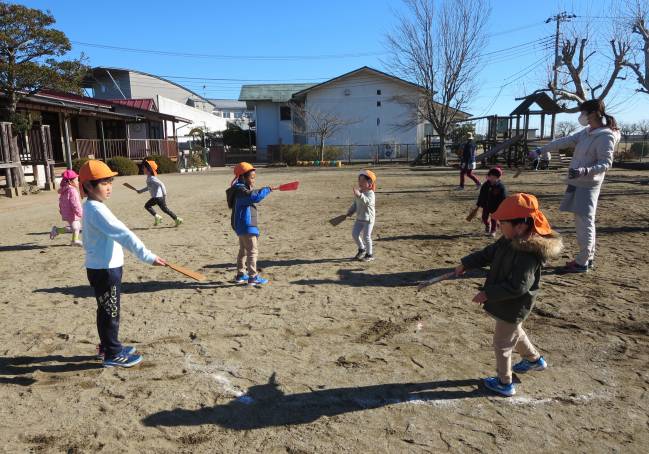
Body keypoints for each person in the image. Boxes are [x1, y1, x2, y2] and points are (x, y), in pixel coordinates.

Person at [456, 193, 563, 396]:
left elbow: (518, 286)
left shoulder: (528, 253)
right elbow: (489, 253)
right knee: (516, 332)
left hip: (514, 304)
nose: (498, 227)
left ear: (520, 226)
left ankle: (505, 383)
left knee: (502, 343)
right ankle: (534, 360)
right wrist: (466, 263)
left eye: (502, 223)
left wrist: (487, 294)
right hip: (507, 304)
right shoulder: (508, 239)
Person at [79, 160, 166, 368]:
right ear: (89, 186)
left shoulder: (94, 207)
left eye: (110, 181)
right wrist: (147, 256)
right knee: (111, 311)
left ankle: (108, 345)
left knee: (106, 310)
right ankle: (112, 353)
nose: (109, 186)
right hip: (105, 270)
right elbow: (123, 233)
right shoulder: (96, 210)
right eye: (103, 182)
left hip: (103, 267)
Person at [530, 99, 620, 273]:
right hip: (576, 182)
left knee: (585, 223)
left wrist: (585, 171)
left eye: (583, 112)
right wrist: (541, 150)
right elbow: (563, 141)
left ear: (593, 113)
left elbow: (606, 164)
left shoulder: (606, 136)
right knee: (582, 222)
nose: (581, 116)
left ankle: (583, 262)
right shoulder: (587, 132)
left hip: (588, 185)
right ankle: (587, 258)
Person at [226, 162, 275, 286]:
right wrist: (266, 190)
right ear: (243, 177)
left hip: (241, 227)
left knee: (243, 251)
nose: (254, 180)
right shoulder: (242, 191)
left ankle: (241, 275)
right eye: (252, 177)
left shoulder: (239, 190)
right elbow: (255, 197)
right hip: (247, 227)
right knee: (252, 251)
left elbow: (252, 195)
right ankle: (252, 277)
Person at [137, 160, 183, 227]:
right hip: (156, 198)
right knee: (160, 209)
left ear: (149, 169)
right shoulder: (149, 178)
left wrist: (164, 195)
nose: (143, 169)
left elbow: (162, 184)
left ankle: (175, 219)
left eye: (144, 167)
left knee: (163, 209)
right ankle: (172, 219)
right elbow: (149, 187)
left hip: (158, 197)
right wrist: (140, 191)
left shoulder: (152, 178)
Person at [347, 169, 376, 262]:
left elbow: (367, 202)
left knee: (366, 237)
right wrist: (350, 211)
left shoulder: (371, 194)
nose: (360, 182)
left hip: (368, 219)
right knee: (354, 234)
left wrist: (360, 195)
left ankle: (369, 254)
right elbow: (355, 204)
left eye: (363, 180)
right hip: (359, 218)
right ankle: (362, 249)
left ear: (369, 182)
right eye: (359, 180)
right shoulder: (359, 193)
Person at [50, 169, 83, 246]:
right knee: (75, 227)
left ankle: (57, 231)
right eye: (76, 180)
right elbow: (75, 203)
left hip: (68, 212)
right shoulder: (72, 190)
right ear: (70, 182)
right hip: (72, 212)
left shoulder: (65, 190)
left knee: (76, 226)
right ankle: (74, 240)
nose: (78, 182)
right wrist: (80, 212)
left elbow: (62, 202)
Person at [476, 167, 507, 237]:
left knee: (494, 219)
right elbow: (481, 195)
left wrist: (502, 206)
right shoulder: (485, 185)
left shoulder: (501, 187)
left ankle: (493, 231)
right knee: (484, 217)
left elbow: (503, 197)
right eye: (490, 177)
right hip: (486, 205)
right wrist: (479, 203)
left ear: (498, 178)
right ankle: (487, 225)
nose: (491, 178)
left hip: (495, 206)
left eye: (493, 177)